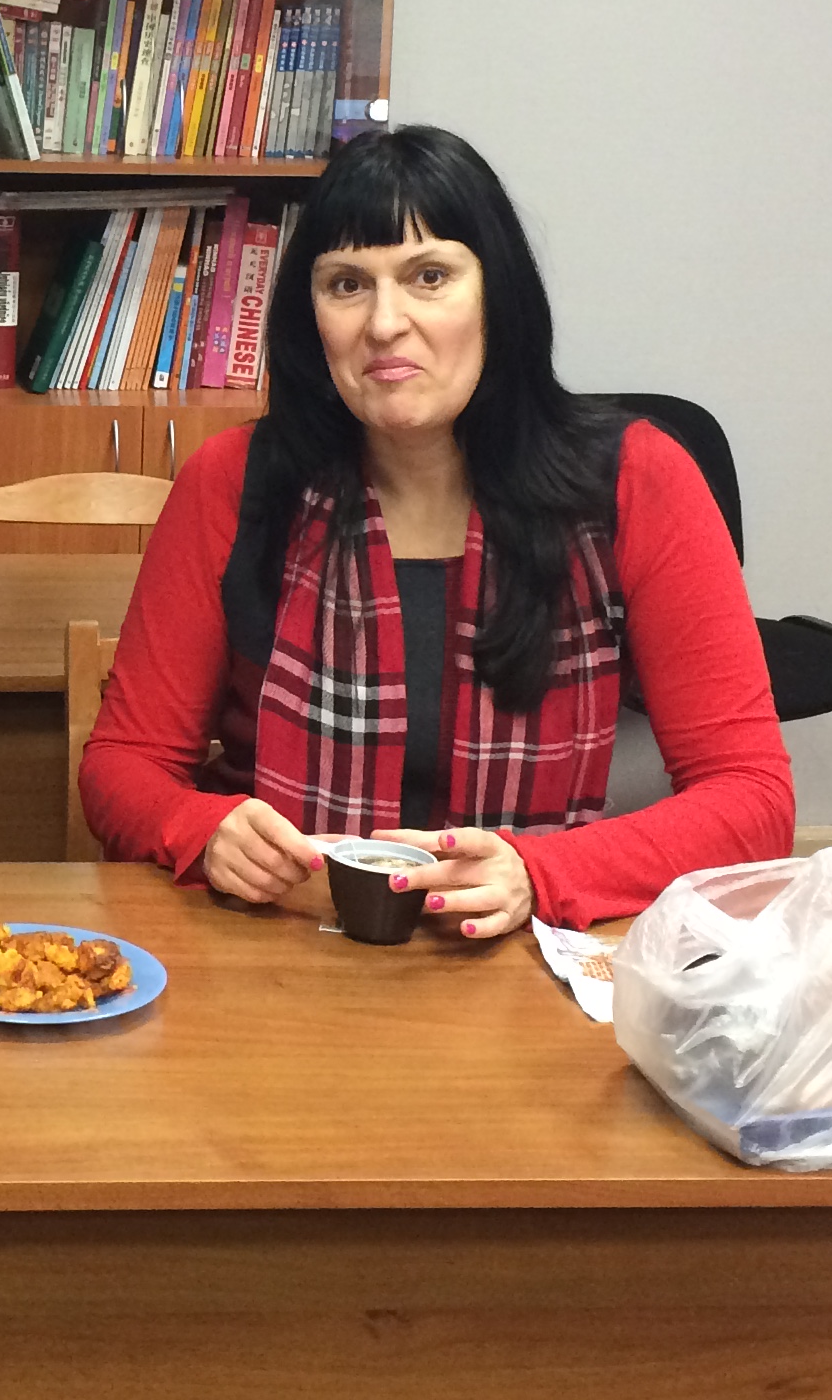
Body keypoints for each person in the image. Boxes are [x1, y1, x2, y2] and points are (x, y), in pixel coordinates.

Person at [78, 126, 791, 935]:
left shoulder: (638, 479)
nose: (385, 324)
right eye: (347, 284)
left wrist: (542, 871)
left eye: (429, 276)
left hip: (526, 944)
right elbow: (123, 765)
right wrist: (200, 829)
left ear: (497, 295)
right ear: (311, 316)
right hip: (280, 936)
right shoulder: (230, 480)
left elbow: (753, 798)